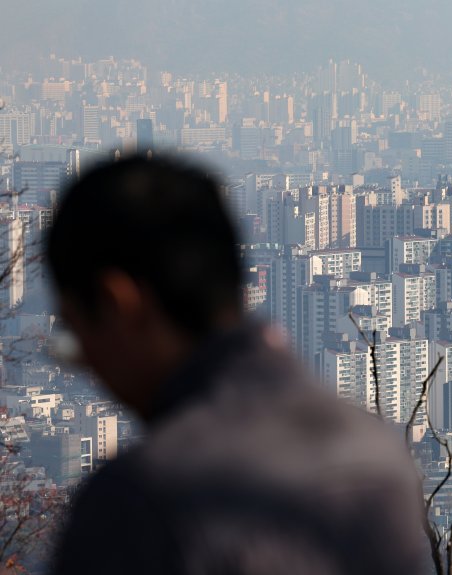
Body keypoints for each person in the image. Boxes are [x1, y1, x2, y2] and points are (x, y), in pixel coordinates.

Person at [47, 157, 425, 574]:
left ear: (118, 303)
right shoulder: (376, 451)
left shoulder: (139, 501)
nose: (85, 364)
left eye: (73, 334)